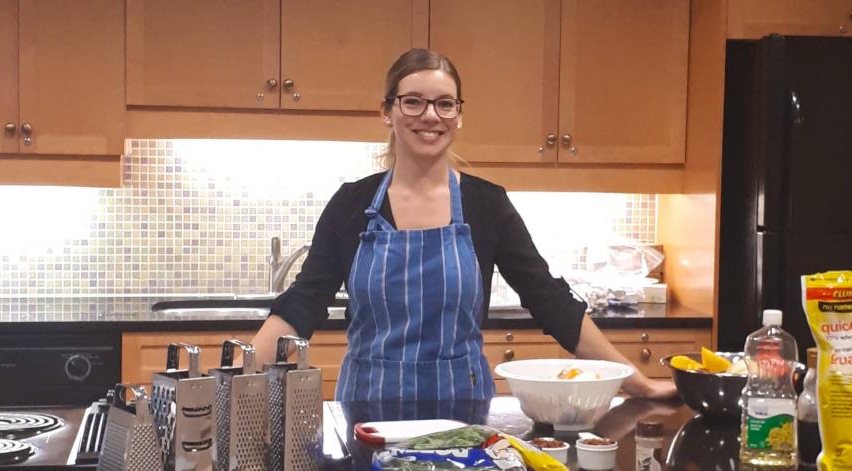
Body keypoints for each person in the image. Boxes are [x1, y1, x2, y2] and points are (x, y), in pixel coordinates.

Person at [250, 48, 677, 402]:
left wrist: (637, 384)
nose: (429, 116)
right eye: (413, 101)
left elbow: (550, 300)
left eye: (444, 103)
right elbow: (301, 304)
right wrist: (229, 380)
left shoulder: (486, 204)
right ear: (386, 111)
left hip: (463, 416)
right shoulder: (352, 204)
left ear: (459, 115)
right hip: (368, 411)